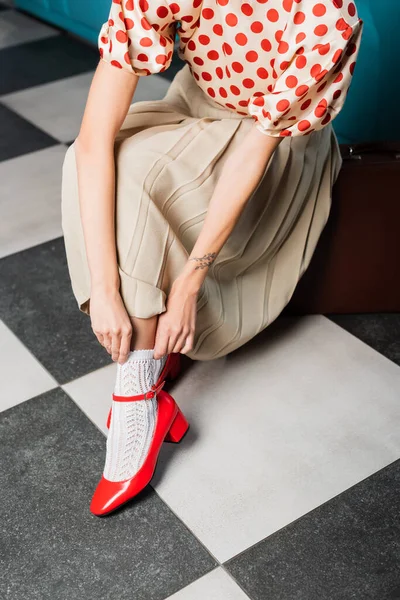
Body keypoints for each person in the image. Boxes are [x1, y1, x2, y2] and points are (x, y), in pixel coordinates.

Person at [61, 0, 363, 516]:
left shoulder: (326, 13)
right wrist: (105, 291)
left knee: (142, 179)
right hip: (194, 107)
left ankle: (134, 394)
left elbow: (256, 149)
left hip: (273, 144)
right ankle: (145, 378)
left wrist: (187, 287)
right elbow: (91, 143)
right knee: (102, 164)